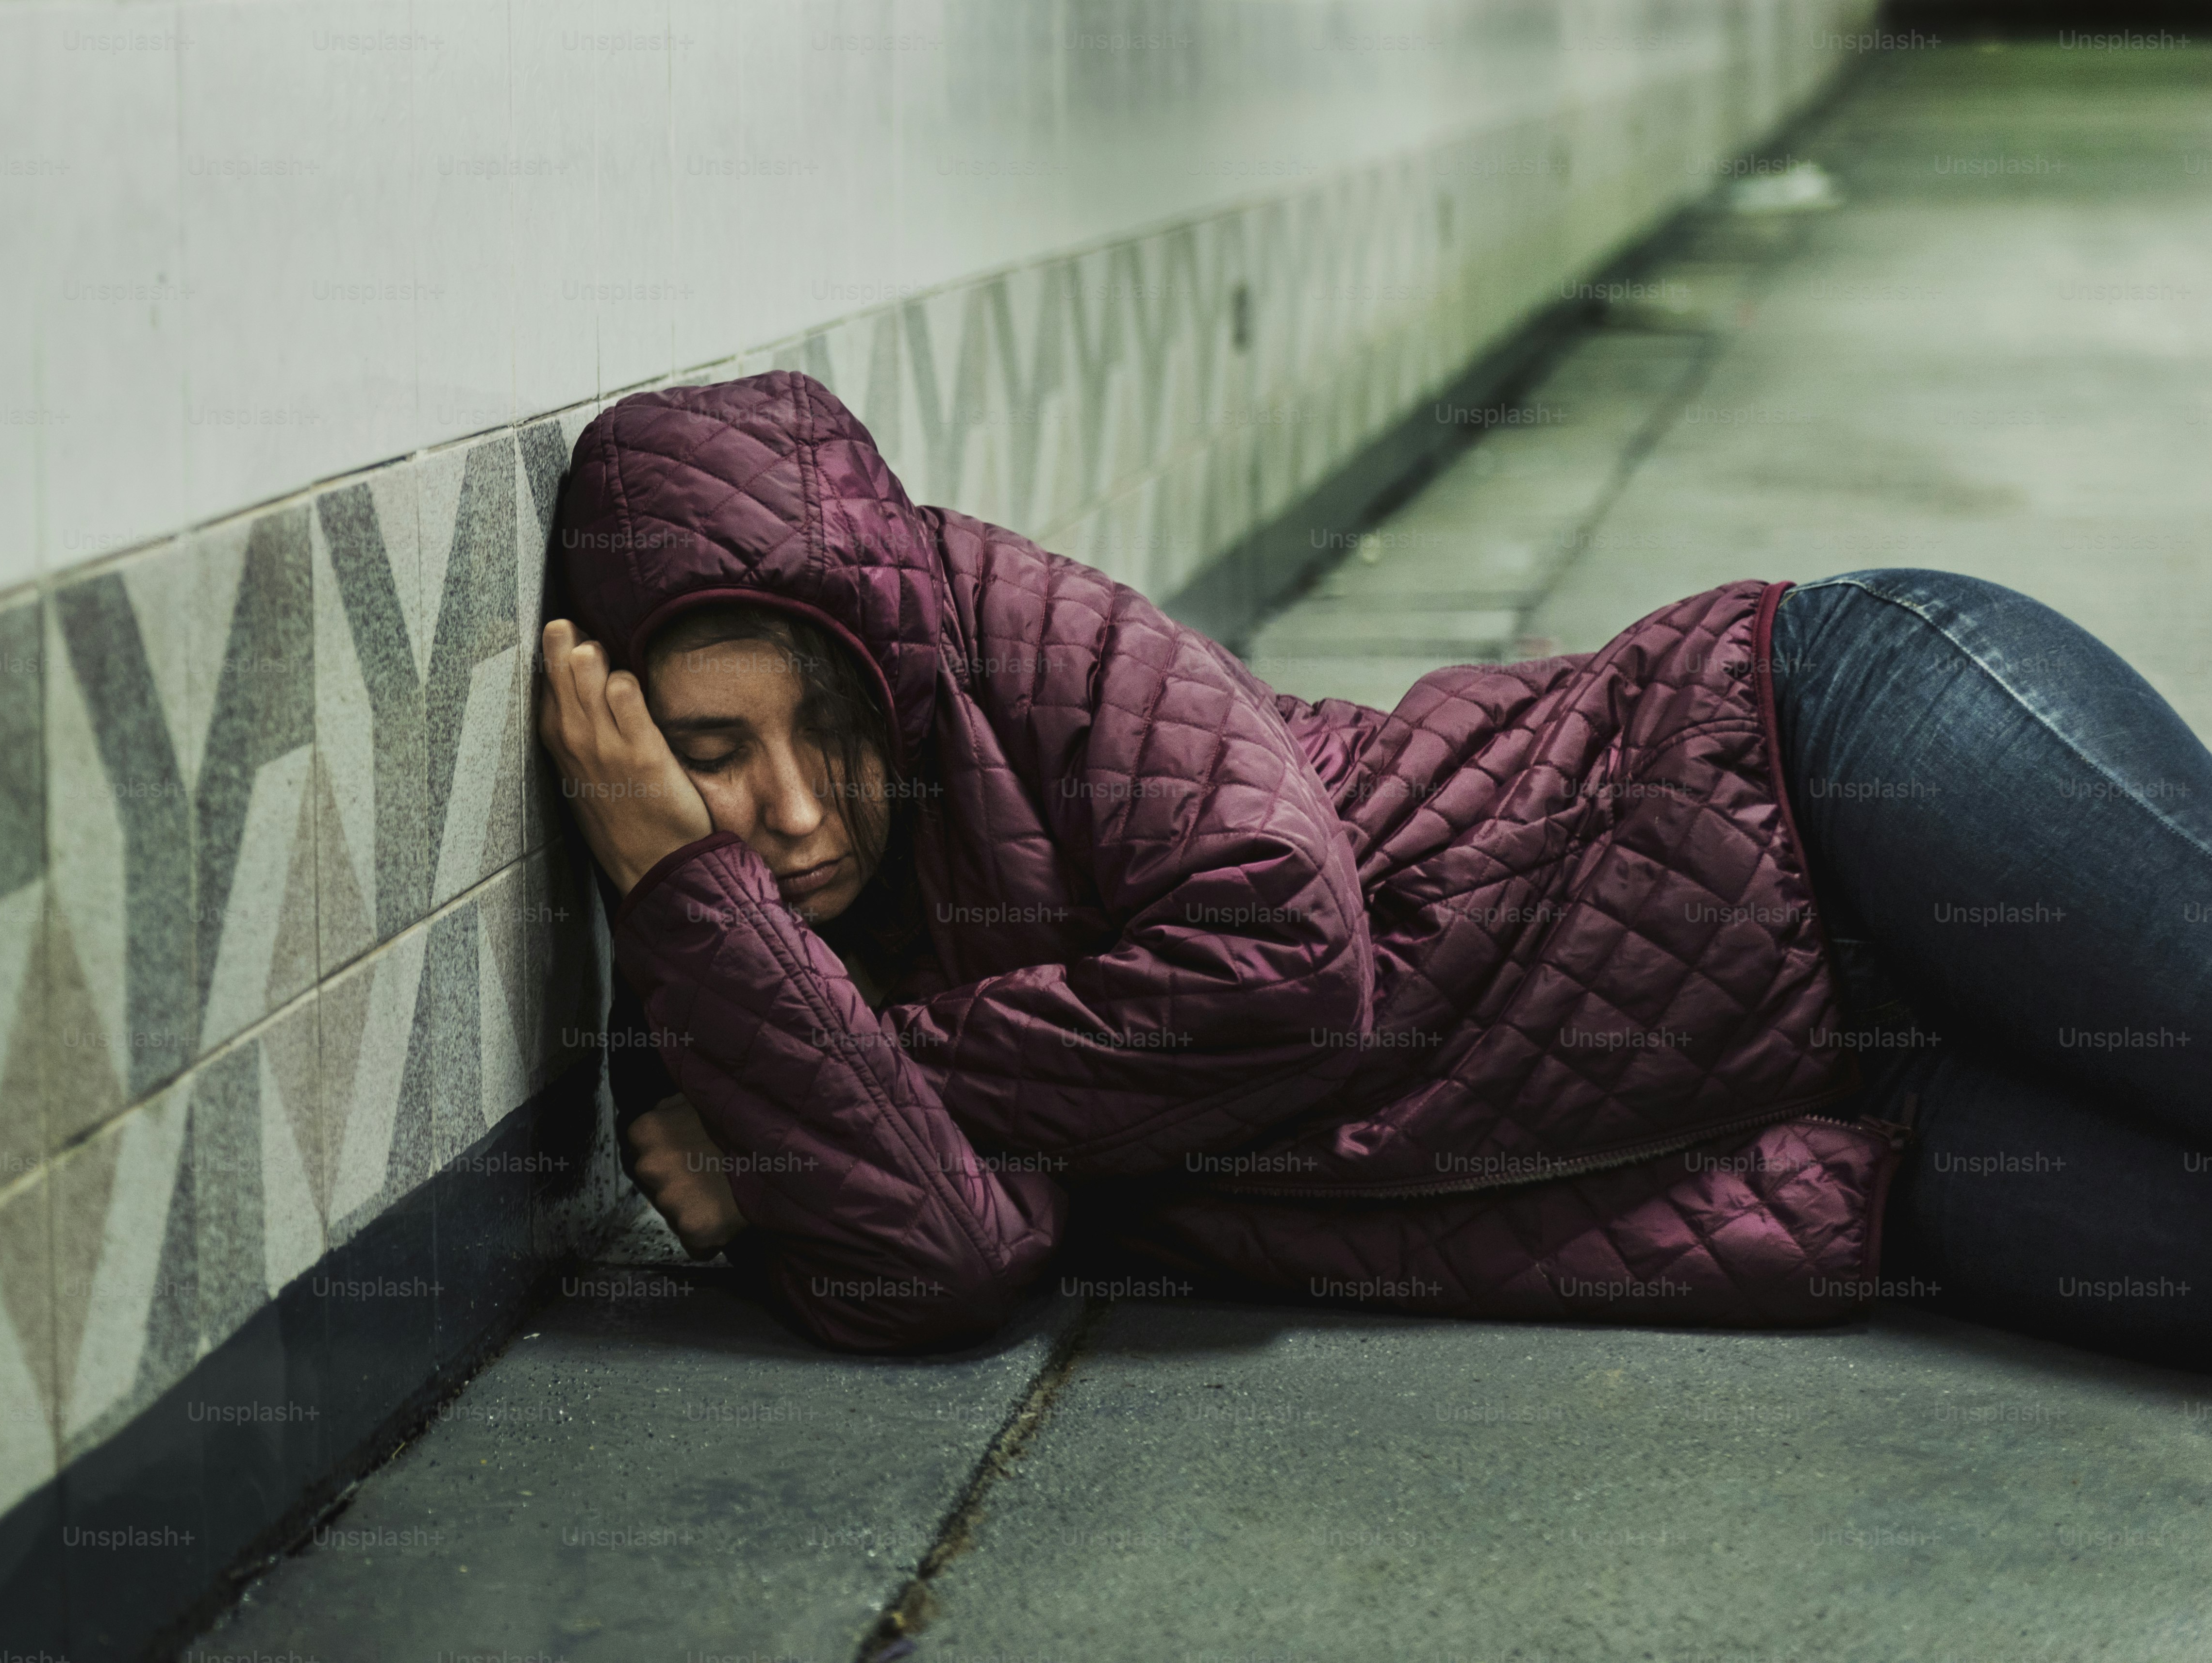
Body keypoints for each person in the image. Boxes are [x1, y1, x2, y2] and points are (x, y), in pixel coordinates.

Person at [541, 371, 2210, 1370]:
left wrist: (835, 1084)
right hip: (1844, 1120)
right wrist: (713, 928)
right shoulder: (738, 976)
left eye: (825, 738)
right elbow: (954, 1258)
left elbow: (1284, 960)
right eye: (706, 757)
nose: (801, 814)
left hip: (1823, 764)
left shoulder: (1017, 639)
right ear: (618, 757)